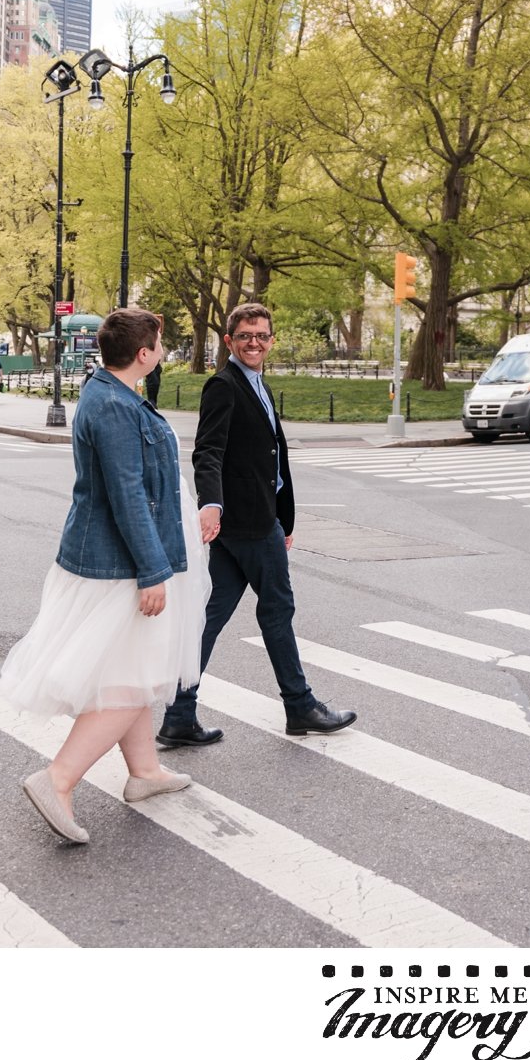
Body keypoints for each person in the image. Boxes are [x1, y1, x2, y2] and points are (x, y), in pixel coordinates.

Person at [0, 307, 207, 843]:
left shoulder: (112, 394)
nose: (163, 350)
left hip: (118, 559)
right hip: (120, 565)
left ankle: (145, 772)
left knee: (133, 669)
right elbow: (127, 496)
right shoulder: (113, 405)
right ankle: (58, 779)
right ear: (144, 354)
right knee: (130, 678)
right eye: (160, 342)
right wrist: (152, 572)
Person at [157, 302, 357, 748]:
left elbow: (273, 459)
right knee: (277, 611)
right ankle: (299, 705)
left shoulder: (256, 383)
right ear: (229, 341)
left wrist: (283, 517)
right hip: (245, 523)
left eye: (262, 336)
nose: (254, 343)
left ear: (270, 340)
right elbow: (207, 451)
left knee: (210, 617)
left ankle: (178, 715)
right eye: (245, 336)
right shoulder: (223, 386)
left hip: (252, 521)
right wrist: (211, 503)